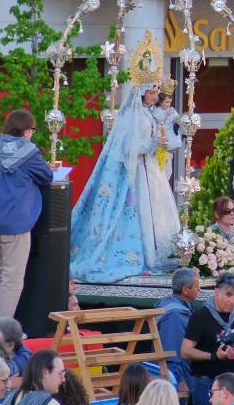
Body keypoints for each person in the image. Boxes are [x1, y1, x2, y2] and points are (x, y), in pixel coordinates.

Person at [70, 34, 182, 283]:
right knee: (142, 209)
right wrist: (152, 144)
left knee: (158, 209)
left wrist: (168, 135)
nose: (154, 95)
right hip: (139, 170)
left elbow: (160, 136)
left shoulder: (150, 114)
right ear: (141, 92)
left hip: (150, 168)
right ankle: (143, 253)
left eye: (156, 91)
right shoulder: (132, 116)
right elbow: (128, 146)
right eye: (151, 91)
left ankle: (159, 253)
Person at [0, 108, 53, 322]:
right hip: (15, 223)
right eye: (32, 130)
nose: (32, 134)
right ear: (26, 130)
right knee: (12, 279)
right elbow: (46, 176)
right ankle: (2, 329)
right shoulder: (29, 152)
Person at [182, 274, 234, 405]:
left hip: (232, 382)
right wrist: (214, 356)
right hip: (207, 382)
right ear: (216, 292)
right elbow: (185, 351)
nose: (232, 301)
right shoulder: (201, 316)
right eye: (228, 295)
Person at [154, 267, 200, 405]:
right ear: (185, 290)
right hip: (173, 377)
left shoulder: (167, 302)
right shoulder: (175, 315)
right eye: (196, 286)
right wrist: (180, 380)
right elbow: (173, 352)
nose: (199, 290)